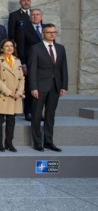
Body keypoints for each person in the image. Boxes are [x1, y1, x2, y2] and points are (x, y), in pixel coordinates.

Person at [29, 23, 68, 152]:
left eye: (54, 32)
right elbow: (32, 69)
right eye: (49, 32)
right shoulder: (35, 48)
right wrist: (33, 87)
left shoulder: (61, 48)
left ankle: (49, 141)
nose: (52, 34)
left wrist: (64, 86)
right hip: (40, 86)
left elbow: (63, 69)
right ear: (43, 34)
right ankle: (37, 142)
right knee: (36, 115)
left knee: (50, 115)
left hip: (55, 86)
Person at [0, 39, 24, 152]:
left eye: (11, 46)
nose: (9, 48)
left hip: (15, 95)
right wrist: (9, 92)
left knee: (11, 120)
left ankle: (9, 143)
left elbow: (21, 78)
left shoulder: (17, 61)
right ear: (2, 48)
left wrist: (19, 92)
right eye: (7, 46)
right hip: (2, 94)